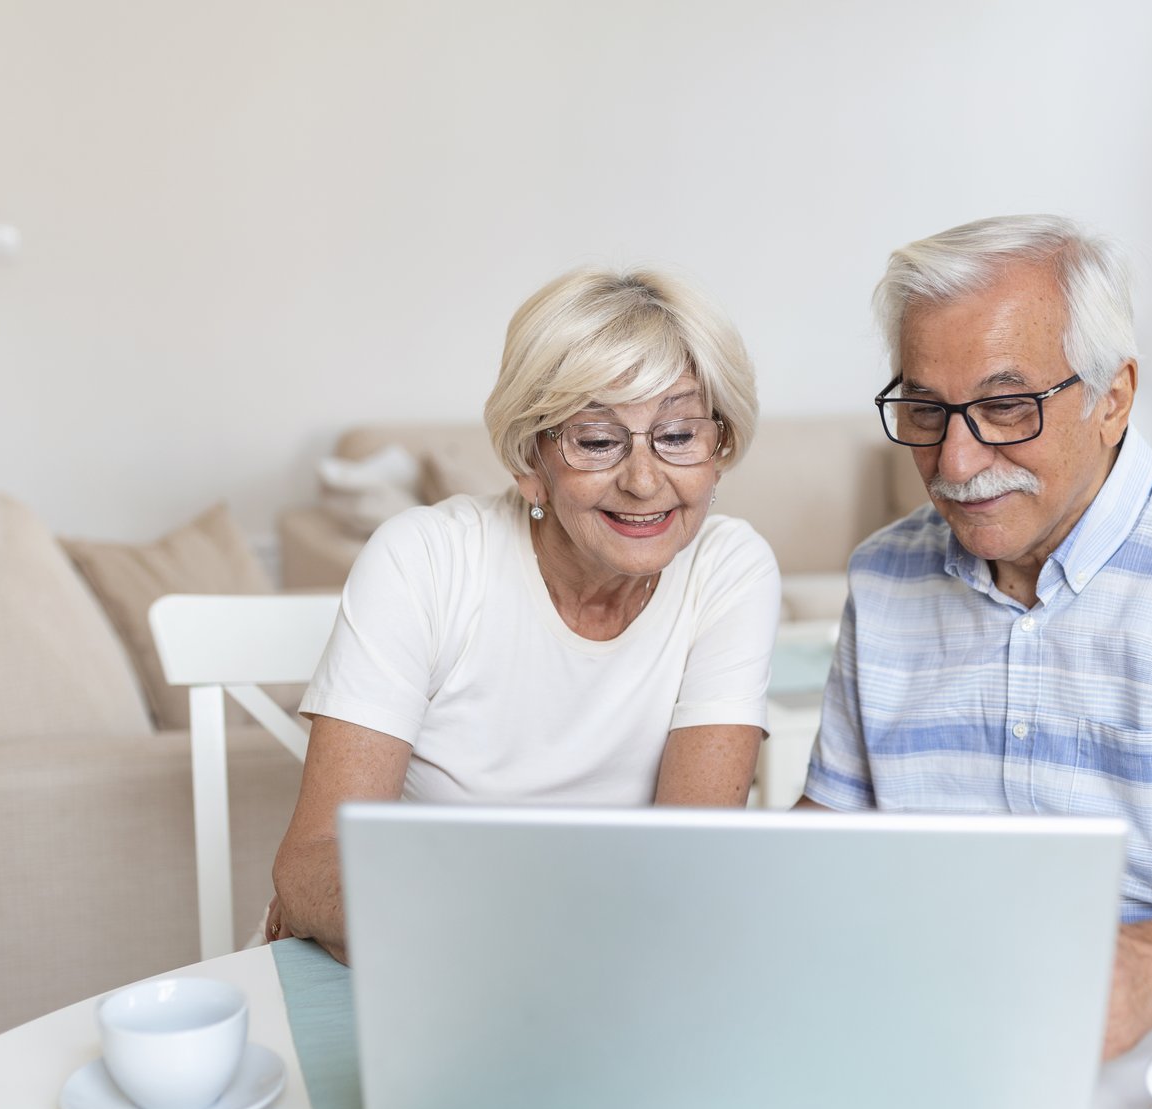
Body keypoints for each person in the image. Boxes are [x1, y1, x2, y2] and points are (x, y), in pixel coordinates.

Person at [801, 214, 1152, 1058]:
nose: (955, 463)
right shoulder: (884, 577)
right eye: (925, 409)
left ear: (1113, 399)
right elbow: (829, 844)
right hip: (931, 1030)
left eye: (1004, 406)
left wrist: (1139, 978)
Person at [269, 266, 782, 962]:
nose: (642, 479)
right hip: (429, 975)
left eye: (679, 435)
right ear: (529, 460)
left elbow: (687, 875)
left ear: (718, 451)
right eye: (598, 440)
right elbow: (308, 872)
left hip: (603, 975)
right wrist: (587, 913)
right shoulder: (424, 559)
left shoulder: (729, 570)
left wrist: (408, 905)